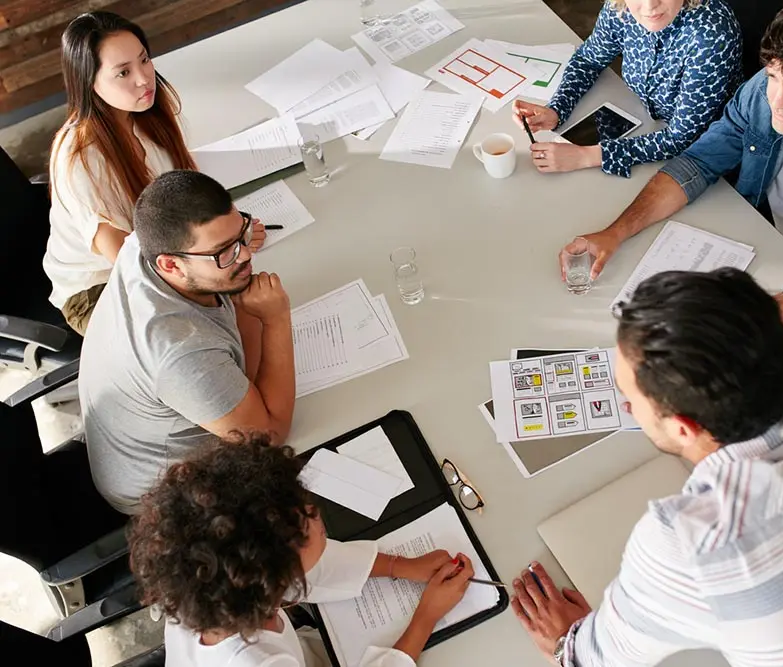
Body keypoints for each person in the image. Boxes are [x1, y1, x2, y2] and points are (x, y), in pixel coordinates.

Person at [510, 267, 783, 666]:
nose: (627, 407)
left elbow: (595, 660)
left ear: (683, 428)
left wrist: (565, 644)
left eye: (630, 397)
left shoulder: (685, 547)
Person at [561, 0, 783, 343]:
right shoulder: (765, 88)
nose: (777, 100)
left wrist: (737, 317)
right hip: (765, 250)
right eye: (774, 76)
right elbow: (698, 162)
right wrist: (614, 233)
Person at [129, 436, 475, 667]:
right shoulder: (260, 662)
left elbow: (310, 565)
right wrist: (426, 617)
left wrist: (399, 565)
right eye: (305, 521)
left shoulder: (207, 585)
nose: (314, 510)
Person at [79, 170, 290, 513]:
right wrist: (275, 319)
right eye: (222, 251)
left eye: (241, 234)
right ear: (171, 265)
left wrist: (243, 301)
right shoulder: (179, 350)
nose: (245, 256)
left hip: (143, 438)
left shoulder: (143, 243)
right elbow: (269, 439)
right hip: (166, 498)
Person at [42, 11, 266, 334]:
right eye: (123, 72)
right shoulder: (79, 158)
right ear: (90, 83)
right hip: (99, 288)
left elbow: (186, 193)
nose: (144, 78)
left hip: (163, 253)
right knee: (213, 333)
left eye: (144, 59)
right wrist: (218, 258)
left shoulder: (144, 111)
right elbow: (128, 261)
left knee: (247, 305)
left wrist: (231, 239)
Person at [512, 0, 742, 178]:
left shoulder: (712, 34)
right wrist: (557, 109)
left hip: (708, 154)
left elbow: (680, 138)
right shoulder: (620, 7)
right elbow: (589, 60)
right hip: (646, 123)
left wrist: (586, 156)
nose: (650, 6)